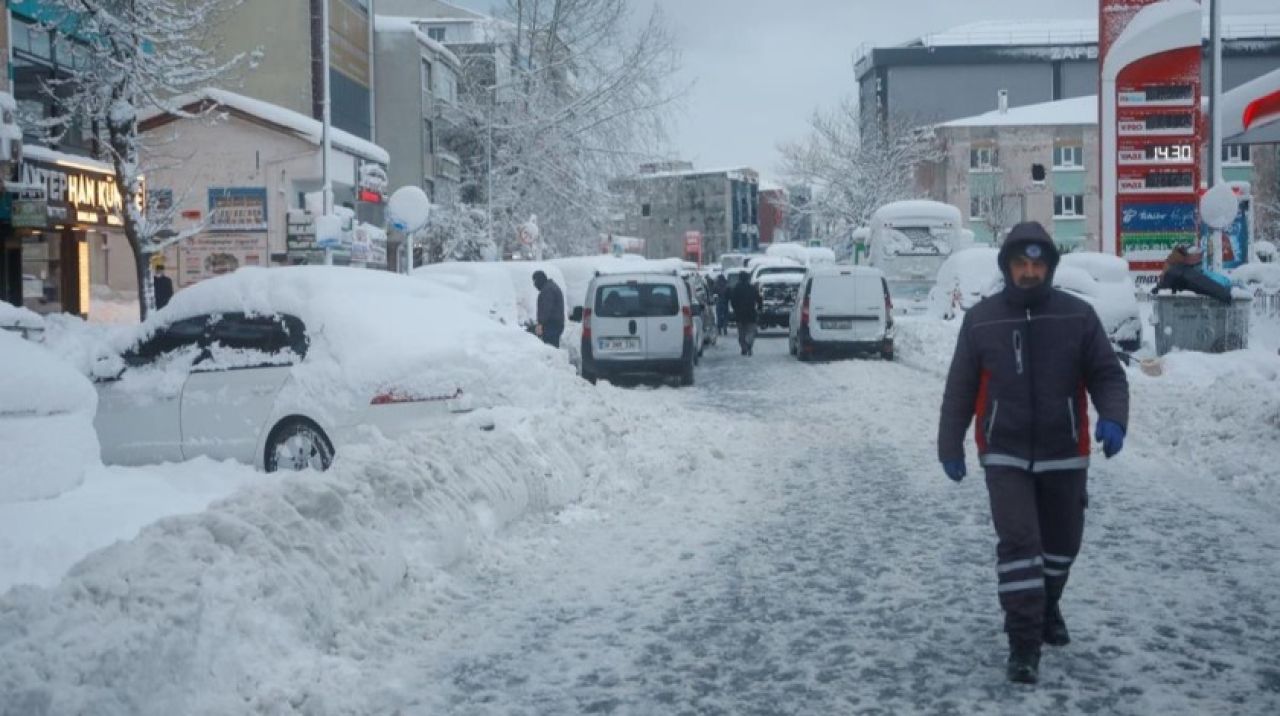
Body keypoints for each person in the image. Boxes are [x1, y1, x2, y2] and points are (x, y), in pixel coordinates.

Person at [937, 222, 1129, 685]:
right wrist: (950, 443)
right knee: (1021, 547)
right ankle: (1023, 644)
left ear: (1048, 267)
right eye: (1020, 264)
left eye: (1036, 263)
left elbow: (1107, 374)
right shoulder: (981, 320)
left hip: (1065, 451)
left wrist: (1114, 417)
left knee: (1062, 548)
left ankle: (1048, 605)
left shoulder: (1078, 317)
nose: (1028, 271)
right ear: (1007, 267)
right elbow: (960, 388)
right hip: (1004, 454)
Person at [728, 270, 762, 356]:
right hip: (751, 313)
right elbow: (759, 299)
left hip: (740, 314)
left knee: (741, 332)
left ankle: (744, 347)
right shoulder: (752, 288)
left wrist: (735, 309)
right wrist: (759, 307)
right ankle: (749, 343)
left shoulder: (736, 288)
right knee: (751, 331)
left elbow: (732, 301)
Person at [532, 270, 564, 348]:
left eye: (535, 281)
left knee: (550, 348)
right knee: (553, 347)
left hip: (551, 325)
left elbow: (545, 309)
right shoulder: (550, 287)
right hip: (556, 323)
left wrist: (540, 323)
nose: (534, 284)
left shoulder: (547, 290)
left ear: (540, 280)